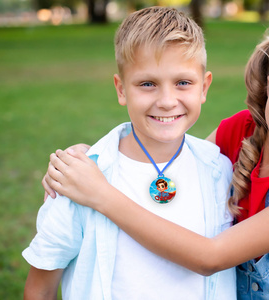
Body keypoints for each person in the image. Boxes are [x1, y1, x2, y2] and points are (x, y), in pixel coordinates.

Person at [44, 29, 269, 300]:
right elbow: (178, 159)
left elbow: (209, 258)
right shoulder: (242, 128)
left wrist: (100, 194)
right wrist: (93, 158)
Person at [23, 6, 237, 300]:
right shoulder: (79, 176)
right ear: (121, 89)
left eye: (183, 83)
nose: (166, 101)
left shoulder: (219, 170)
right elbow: (40, 288)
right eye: (147, 84)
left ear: (204, 87)